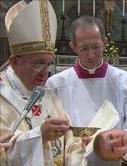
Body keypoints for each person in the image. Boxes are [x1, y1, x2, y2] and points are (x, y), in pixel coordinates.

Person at [46, 15, 127, 166]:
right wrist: (74, 141)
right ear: (73, 47)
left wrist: (114, 142)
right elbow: (48, 132)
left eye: (96, 47)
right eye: (84, 49)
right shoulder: (56, 84)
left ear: (105, 43)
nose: (91, 55)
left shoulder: (125, 81)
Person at [0, 0, 85, 165]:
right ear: (14, 61)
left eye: (49, 63)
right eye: (38, 63)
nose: (45, 71)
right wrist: (40, 135)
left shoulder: (49, 97)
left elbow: (72, 145)